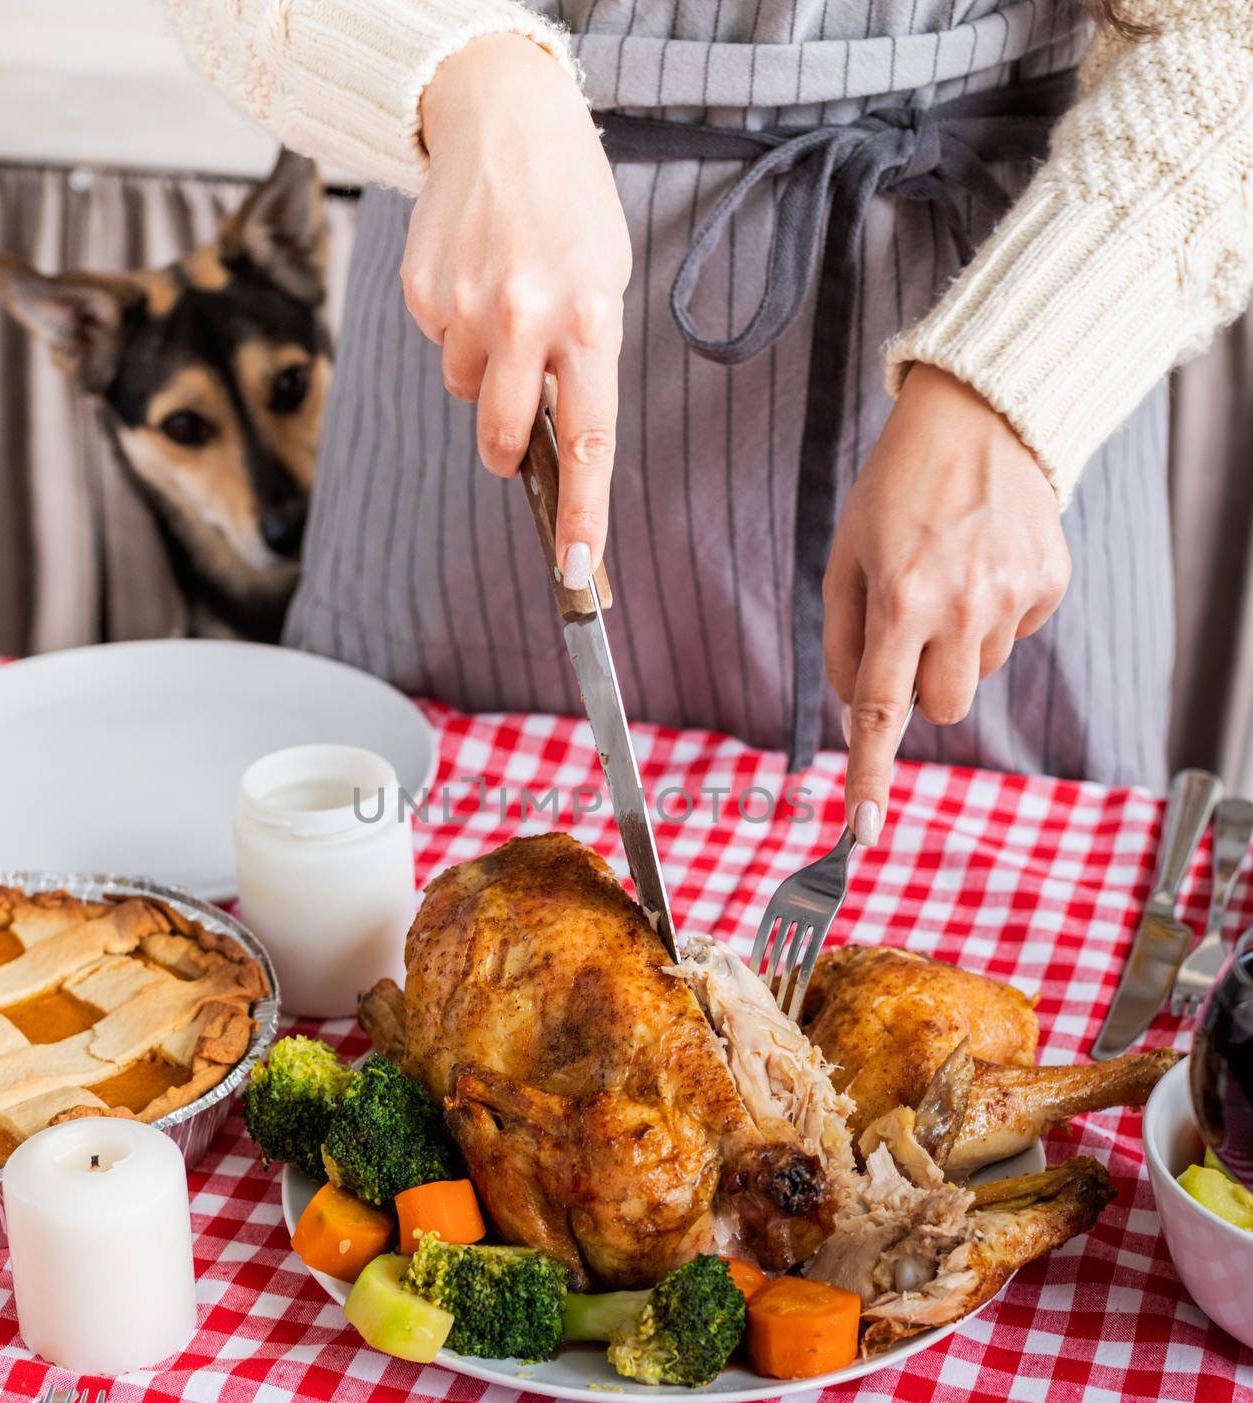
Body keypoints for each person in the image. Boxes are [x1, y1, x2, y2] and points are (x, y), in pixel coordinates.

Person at [166, 0, 1252, 842]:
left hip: (1008, 371)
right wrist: (469, 80)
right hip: (499, 317)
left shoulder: (1021, 377)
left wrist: (1018, 383)